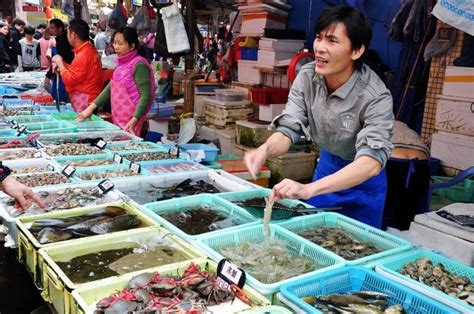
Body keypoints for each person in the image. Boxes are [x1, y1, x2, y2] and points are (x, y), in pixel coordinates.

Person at [244, 5, 394, 228]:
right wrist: (265, 150)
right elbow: (289, 129)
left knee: (357, 250)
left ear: (357, 50)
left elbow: (371, 162)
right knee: (315, 237)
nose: (320, 48)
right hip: (327, 167)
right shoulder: (307, 77)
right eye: (318, 38)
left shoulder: (376, 96)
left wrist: (308, 189)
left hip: (363, 182)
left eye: (332, 41)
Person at [77, 26, 155, 135]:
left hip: (135, 121)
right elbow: (110, 88)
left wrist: (135, 119)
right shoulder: (120, 65)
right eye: (114, 43)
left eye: (120, 43)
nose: (116, 47)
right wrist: (90, 108)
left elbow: (145, 95)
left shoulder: (139, 65)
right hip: (119, 118)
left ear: (132, 46)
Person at [52, 19, 103, 112]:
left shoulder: (83, 54)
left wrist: (60, 63)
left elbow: (70, 80)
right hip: (89, 97)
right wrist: (63, 64)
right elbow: (78, 72)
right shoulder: (88, 50)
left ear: (73, 35)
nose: (67, 36)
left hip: (85, 99)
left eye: (68, 33)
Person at [44, 19, 75, 98]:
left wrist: (48, 75)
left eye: (52, 28)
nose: (50, 30)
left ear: (60, 28)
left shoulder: (63, 39)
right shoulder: (59, 38)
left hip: (66, 72)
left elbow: (60, 57)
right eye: (49, 28)